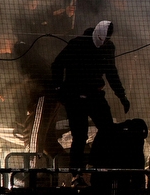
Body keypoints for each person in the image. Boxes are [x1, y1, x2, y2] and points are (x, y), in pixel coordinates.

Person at [51, 20, 130, 186]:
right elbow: (57, 64)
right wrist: (59, 89)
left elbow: (111, 72)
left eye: (106, 40)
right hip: (75, 96)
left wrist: (121, 95)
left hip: (95, 95)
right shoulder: (78, 43)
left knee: (108, 129)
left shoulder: (108, 47)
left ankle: (99, 165)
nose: (102, 43)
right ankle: (76, 175)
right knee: (80, 135)